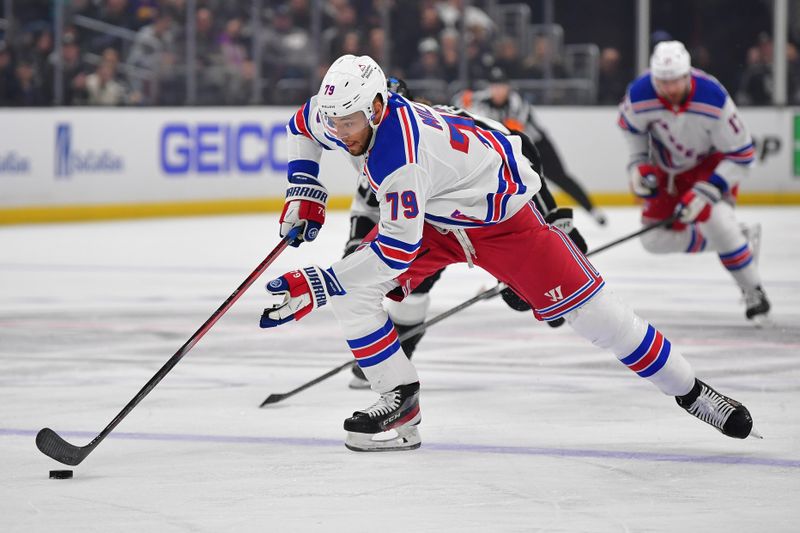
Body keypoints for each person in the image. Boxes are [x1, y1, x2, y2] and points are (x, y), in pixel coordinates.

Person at [260, 54, 759, 452]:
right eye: (335, 121)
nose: (339, 131)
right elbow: (303, 126)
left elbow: (394, 251)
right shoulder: (345, 116)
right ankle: (400, 401)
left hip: (504, 224)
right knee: (355, 293)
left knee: (598, 320)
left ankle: (693, 393)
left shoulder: (401, 157)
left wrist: (318, 284)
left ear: (374, 108)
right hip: (439, 218)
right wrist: (304, 185)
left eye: (348, 122)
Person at [343, 76, 588, 389]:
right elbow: (365, 204)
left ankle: (556, 293)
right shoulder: (380, 149)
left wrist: (554, 219)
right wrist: (356, 248)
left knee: (540, 281)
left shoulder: (442, 122)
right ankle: (398, 351)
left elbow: (517, 149)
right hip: (432, 231)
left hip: (487, 221)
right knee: (410, 287)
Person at [618, 41, 770, 324]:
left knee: (718, 222)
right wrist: (638, 164)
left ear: (688, 75)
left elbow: (742, 154)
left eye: (675, 81)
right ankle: (737, 241)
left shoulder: (713, 98)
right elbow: (630, 128)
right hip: (668, 171)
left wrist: (708, 188)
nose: (670, 89)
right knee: (653, 240)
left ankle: (753, 290)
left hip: (711, 167)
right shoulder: (640, 94)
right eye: (663, 82)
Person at [454, 67, 608, 226]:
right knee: (526, 184)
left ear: (508, 87)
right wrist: (464, 100)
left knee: (560, 178)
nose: (498, 91)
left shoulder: (517, 103)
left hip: (538, 146)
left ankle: (592, 209)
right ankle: (539, 221)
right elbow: (460, 100)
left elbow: (511, 129)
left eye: (502, 86)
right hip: (514, 147)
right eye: (494, 87)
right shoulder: (483, 98)